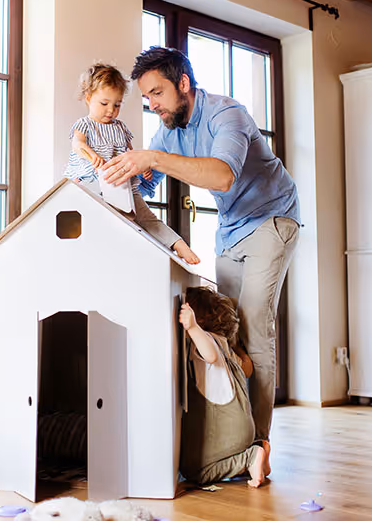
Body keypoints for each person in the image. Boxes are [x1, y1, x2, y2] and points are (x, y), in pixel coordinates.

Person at [100, 47, 300, 469]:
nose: (151, 104)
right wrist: (121, 168)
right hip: (231, 230)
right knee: (226, 328)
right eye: (146, 97)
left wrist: (151, 158)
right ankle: (231, 432)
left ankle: (257, 445)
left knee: (256, 325)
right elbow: (148, 184)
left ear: (184, 84)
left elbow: (222, 176)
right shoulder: (168, 129)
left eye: (157, 93)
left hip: (273, 217)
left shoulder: (228, 115)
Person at [64, 63, 199, 264]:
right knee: (91, 217)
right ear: (89, 98)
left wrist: (142, 168)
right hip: (92, 180)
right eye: (104, 104)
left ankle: (179, 244)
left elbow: (131, 153)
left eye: (117, 105)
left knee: (145, 217)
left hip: (122, 183)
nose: (111, 110)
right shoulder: (85, 124)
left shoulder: (121, 128)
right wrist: (91, 156)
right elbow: (78, 144)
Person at [179, 286, 267, 488]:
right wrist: (239, 349)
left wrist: (192, 328)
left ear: (198, 318)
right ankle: (255, 454)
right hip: (243, 426)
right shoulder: (225, 346)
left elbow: (209, 355)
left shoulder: (204, 339)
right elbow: (248, 369)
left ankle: (249, 458)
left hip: (226, 429)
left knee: (195, 470)